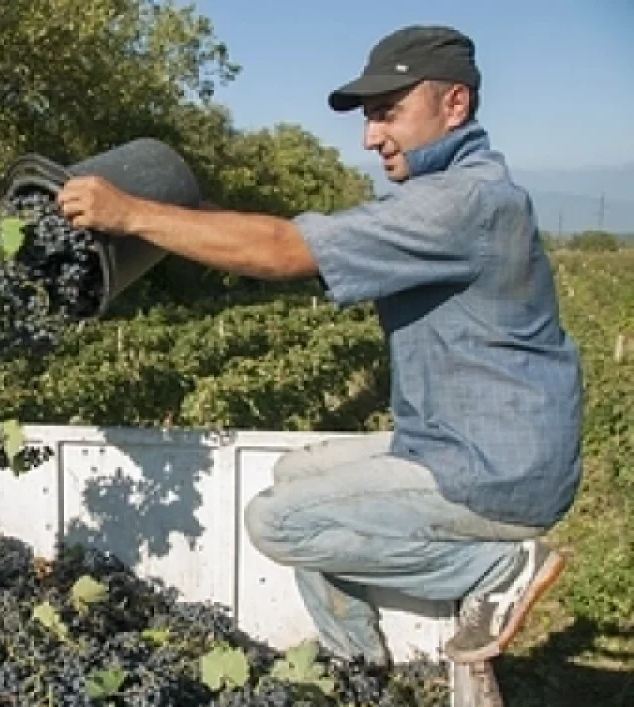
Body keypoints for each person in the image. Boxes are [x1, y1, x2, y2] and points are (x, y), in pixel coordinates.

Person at [55, 24, 583, 666]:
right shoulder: (441, 200)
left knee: (278, 520)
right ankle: (356, 655)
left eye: (388, 112)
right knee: (293, 473)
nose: (371, 136)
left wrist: (134, 215)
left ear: (454, 105)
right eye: (368, 118)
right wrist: (186, 213)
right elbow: (282, 236)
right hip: (454, 443)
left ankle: (491, 571)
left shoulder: (462, 206)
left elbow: (284, 250)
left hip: (497, 470)